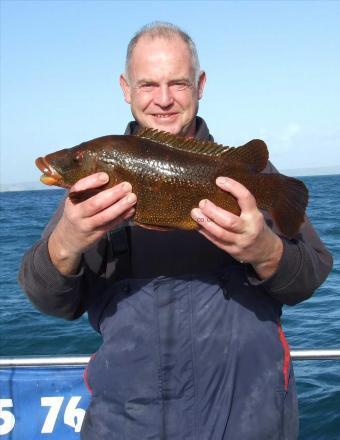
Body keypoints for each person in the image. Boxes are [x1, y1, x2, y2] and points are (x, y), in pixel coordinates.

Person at [19, 22, 333, 440]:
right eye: (148, 84)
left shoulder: (252, 179)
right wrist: (66, 244)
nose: (163, 100)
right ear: (125, 88)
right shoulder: (88, 195)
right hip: (127, 426)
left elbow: (311, 276)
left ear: (200, 85)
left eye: (178, 83)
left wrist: (265, 251)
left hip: (249, 422)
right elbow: (50, 301)